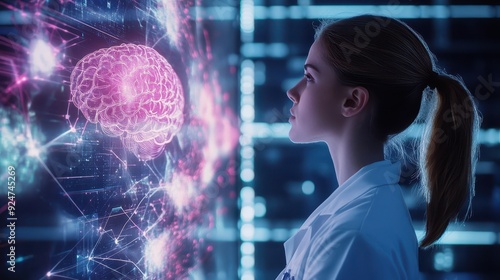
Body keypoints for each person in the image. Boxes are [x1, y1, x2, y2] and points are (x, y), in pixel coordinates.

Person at [277, 14, 480, 280]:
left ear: (352, 101)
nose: (293, 91)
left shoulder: (352, 239)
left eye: (310, 77)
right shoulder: (356, 218)